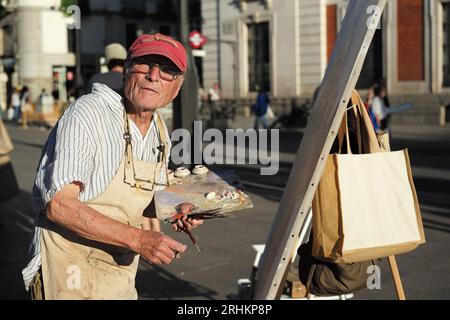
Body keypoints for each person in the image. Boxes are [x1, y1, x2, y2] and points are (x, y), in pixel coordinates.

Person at [22, 33, 203, 300]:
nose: (154, 75)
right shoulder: (88, 114)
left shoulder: (157, 128)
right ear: (127, 68)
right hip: (68, 272)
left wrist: (177, 208)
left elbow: (141, 194)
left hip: (117, 276)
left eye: (167, 71)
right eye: (145, 64)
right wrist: (140, 240)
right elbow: (59, 205)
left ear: (177, 86)